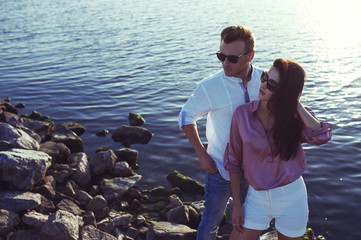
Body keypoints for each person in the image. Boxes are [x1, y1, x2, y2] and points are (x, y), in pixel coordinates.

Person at [223, 58, 333, 240]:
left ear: (285, 92)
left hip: (292, 197)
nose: (263, 84)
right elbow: (233, 161)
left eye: (272, 84)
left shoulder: (296, 117)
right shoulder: (242, 115)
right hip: (257, 198)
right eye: (265, 77)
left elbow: (321, 135)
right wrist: (236, 205)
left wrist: (295, 104)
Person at [178, 25, 264, 240]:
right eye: (221, 56)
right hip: (219, 168)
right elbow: (186, 117)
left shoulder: (266, 81)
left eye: (232, 58)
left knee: (252, 219)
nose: (225, 63)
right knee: (212, 219)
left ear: (250, 55)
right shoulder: (210, 86)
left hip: (255, 170)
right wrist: (202, 154)